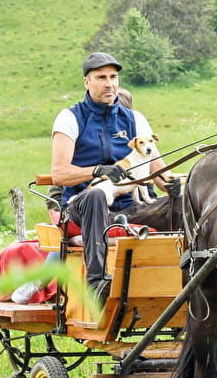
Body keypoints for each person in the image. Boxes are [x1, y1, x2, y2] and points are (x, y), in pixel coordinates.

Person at [51, 52, 168, 299]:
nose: (109, 84)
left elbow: (159, 172)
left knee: (179, 204)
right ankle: (98, 282)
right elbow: (59, 174)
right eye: (101, 77)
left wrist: (178, 189)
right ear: (87, 82)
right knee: (95, 195)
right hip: (81, 207)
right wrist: (97, 170)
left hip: (128, 207)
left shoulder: (135, 120)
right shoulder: (70, 118)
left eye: (113, 77)